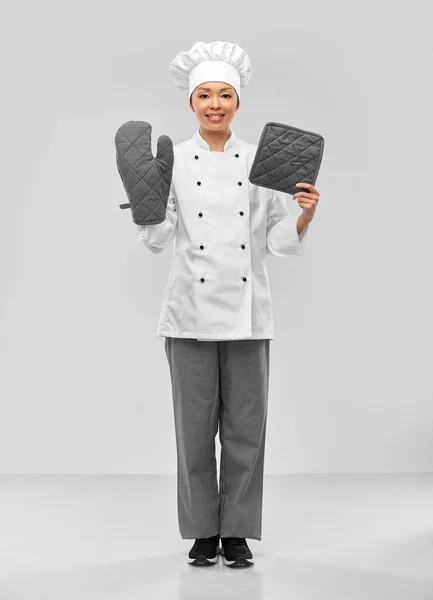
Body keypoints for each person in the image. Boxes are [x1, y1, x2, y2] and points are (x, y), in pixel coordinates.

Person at [136, 40, 320, 568]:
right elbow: (158, 237)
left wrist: (303, 213)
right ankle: (201, 531)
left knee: (245, 427)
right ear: (191, 103)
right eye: (204, 96)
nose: (214, 104)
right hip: (188, 316)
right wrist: (147, 206)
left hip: (247, 315)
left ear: (237, 103)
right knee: (193, 431)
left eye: (224, 95)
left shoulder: (261, 163)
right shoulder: (172, 162)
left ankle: (235, 530)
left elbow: (279, 241)